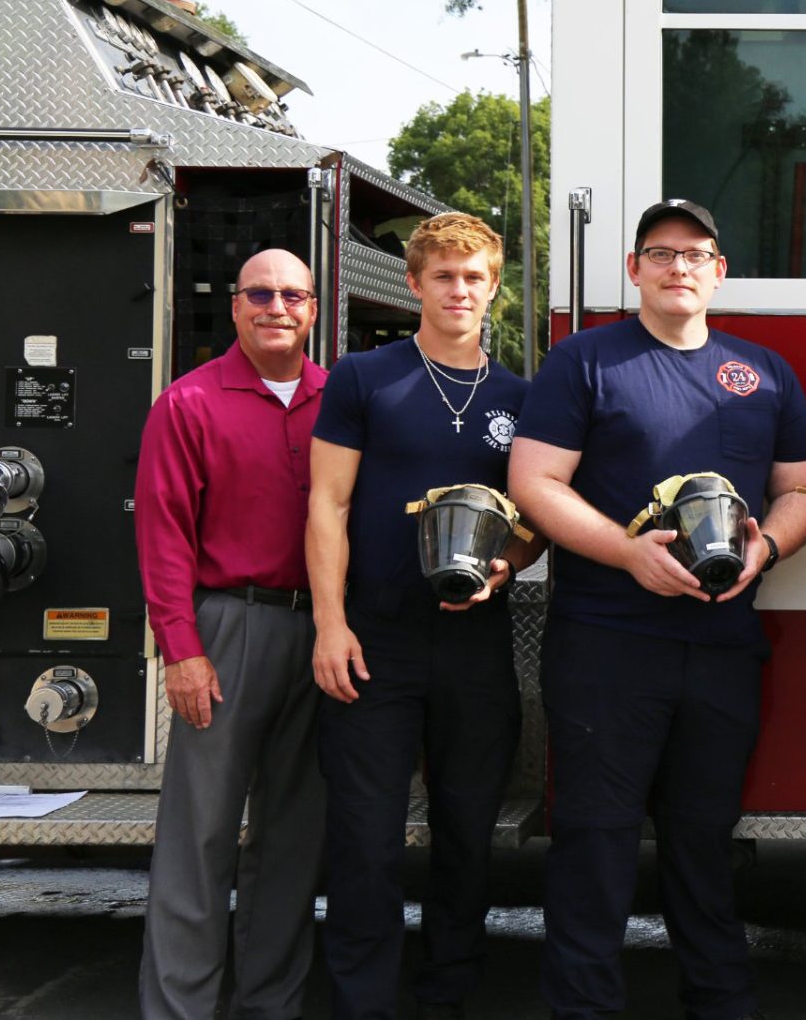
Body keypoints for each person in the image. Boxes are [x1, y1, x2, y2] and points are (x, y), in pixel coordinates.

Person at [510, 198, 806, 1020]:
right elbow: (534, 482)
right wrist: (627, 552)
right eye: (660, 252)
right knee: (595, 843)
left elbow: (803, 488)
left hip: (722, 648)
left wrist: (767, 548)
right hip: (607, 646)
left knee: (704, 844)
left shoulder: (763, 372)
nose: (678, 266)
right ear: (634, 269)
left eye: (695, 254)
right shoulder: (584, 360)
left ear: (719, 271)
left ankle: (721, 1002)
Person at [307, 212, 545, 1020]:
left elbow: (535, 518)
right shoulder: (364, 378)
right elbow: (328, 502)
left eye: (474, 276)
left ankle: (448, 991)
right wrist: (331, 623)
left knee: (468, 835)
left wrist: (509, 563)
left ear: (494, 287)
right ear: (414, 283)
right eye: (444, 275)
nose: (459, 290)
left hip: (476, 645)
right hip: (376, 641)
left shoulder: (521, 398)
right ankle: (362, 1002)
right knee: (366, 841)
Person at [135, 248, 328, 1020]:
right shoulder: (188, 402)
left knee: (292, 836)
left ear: (313, 308)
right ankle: (179, 1008)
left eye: (293, 295)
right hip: (225, 627)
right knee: (201, 834)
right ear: (237, 305)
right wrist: (181, 649)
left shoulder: (339, 401)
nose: (277, 307)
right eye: (261, 294)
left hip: (321, 628)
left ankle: (270, 1004)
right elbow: (163, 536)